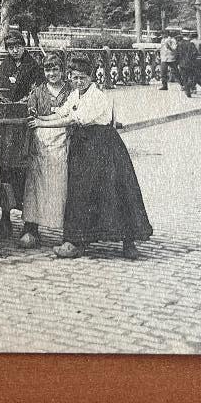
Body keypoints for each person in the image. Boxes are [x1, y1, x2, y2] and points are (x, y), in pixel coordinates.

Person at [31, 54, 152, 260]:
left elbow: (72, 119)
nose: (78, 82)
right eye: (75, 78)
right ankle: (77, 242)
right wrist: (39, 117)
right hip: (83, 148)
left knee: (114, 191)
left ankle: (128, 242)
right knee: (80, 193)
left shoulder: (97, 97)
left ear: (91, 78)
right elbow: (61, 113)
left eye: (83, 78)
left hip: (104, 147)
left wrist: (42, 124)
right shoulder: (75, 95)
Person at [19, 53, 72, 248]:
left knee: (61, 185)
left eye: (55, 69)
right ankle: (31, 228)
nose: (52, 73)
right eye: (48, 70)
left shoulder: (71, 90)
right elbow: (31, 115)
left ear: (62, 70)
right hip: (41, 142)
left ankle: (66, 230)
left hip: (65, 141)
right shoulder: (37, 91)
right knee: (36, 185)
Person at [0, 30, 43, 101]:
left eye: (18, 47)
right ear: (7, 49)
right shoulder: (6, 63)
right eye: (11, 48)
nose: (15, 51)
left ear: (24, 46)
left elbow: (38, 87)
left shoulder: (32, 64)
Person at [177, 32, 199, 97]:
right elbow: (195, 53)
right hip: (190, 64)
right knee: (191, 77)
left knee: (184, 78)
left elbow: (177, 54)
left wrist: (178, 62)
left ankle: (187, 90)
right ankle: (189, 87)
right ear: (188, 36)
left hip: (181, 64)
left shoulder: (179, 44)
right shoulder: (191, 44)